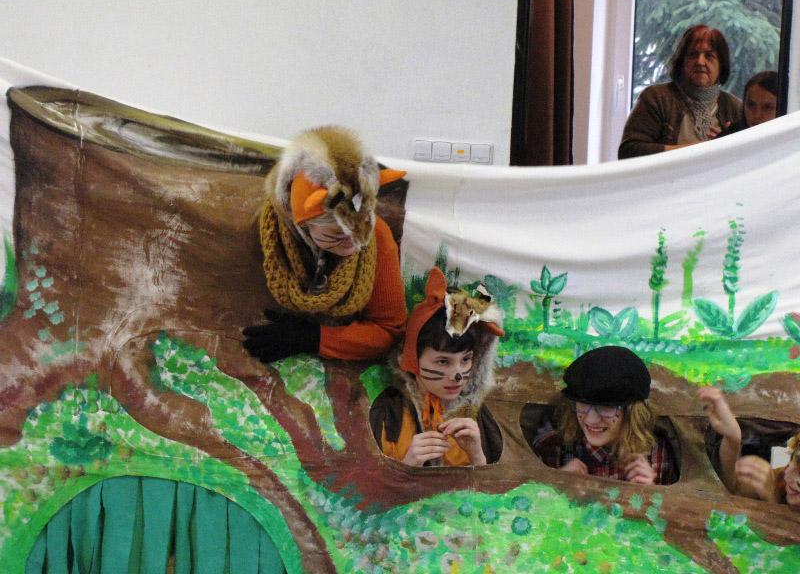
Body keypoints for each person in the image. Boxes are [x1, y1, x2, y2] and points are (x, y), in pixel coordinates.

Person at [242, 126, 408, 362]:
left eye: (364, 228)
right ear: (302, 226)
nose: (356, 245)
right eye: (337, 236)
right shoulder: (266, 232)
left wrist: (315, 338)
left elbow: (389, 330)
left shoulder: (377, 236)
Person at [369, 267, 504, 467]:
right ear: (412, 360)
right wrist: (406, 467)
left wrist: (478, 457)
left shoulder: (478, 417)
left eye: (465, 359)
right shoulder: (389, 415)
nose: (458, 375)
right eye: (443, 361)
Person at [529, 346, 678, 485]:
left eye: (606, 407)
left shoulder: (655, 455)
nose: (591, 419)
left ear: (632, 412)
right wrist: (556, 484)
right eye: (583, 404)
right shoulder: (554, 446)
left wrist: (650, 492)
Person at [618, 24, 742, 159]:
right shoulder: (656, 98)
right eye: (693, 54)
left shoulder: (735, 108)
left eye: (709, 56)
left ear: (721, 65)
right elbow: (628, 151)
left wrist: (729, 145)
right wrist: (697, 150)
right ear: (682, 62)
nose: (700, 61)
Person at [699, 386, 799, 509]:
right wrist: (732, 439)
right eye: (798, 460)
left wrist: (771, 500)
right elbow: (732, 487)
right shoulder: (778, 481)